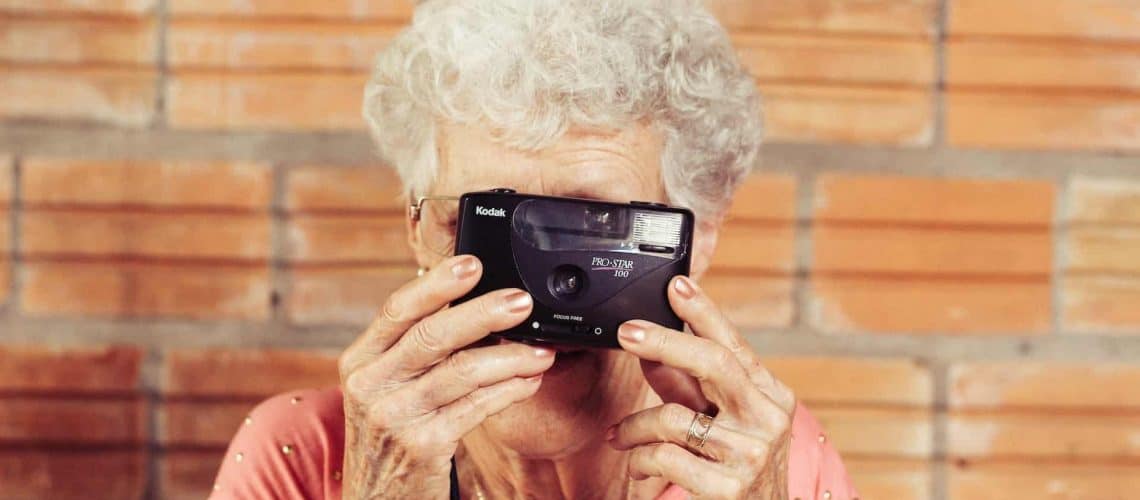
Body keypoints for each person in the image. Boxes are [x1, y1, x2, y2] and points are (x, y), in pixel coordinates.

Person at [211, 0, 858, 498]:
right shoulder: (302, 453)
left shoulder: (767, 464)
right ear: (417, 227)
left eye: (594, 229)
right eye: (487, 226)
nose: (531, 300)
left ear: (698, 238)